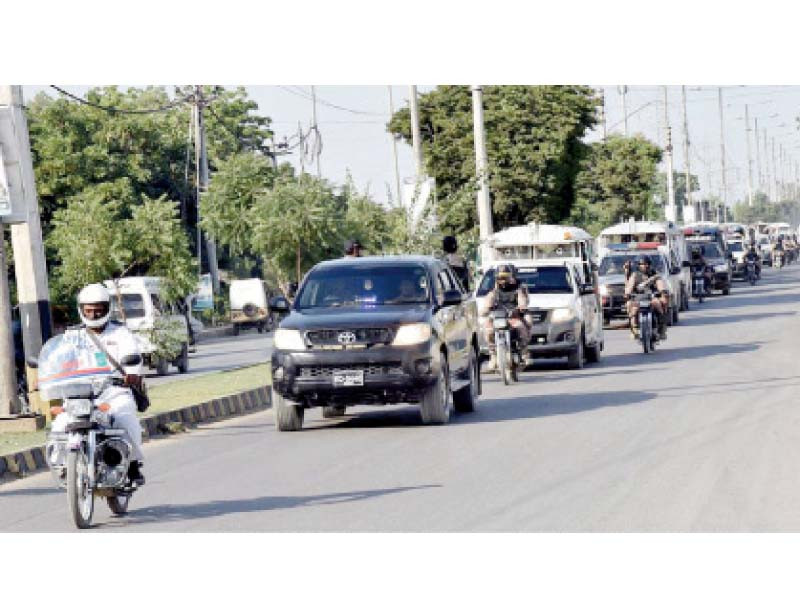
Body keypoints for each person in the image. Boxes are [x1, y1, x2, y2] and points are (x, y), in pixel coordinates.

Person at [50, 284, 146, 485]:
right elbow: (57, 359)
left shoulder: (120, 333)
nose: (93, 314)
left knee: (125, 418)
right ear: (81, 310)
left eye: (98, 309)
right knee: (60, 423)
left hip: (113, 391)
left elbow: (134, 357)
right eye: (89, 310)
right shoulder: (72, 335)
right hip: (80, 394)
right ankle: (63, 465)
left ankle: (133, 464)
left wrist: (132, 374)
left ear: (107, 308)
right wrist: (49, 374)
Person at [479, 264, 532, 371]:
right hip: (497, 317)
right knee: (488, 329)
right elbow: (488, 301)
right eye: (500, 277)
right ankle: (493, 356)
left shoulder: (518, 288)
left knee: (521, 327)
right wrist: (486, 309)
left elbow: (522, 299)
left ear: (511, 276)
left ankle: (524, 352)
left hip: (513, 316)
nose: (503, 280)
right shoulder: (494, 290)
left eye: (505, 277)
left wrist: (521, 306)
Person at [625, 255, 669, 341]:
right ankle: (634, 330)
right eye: (643, 264)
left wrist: (663, 291)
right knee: (630, 306)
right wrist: (628, 293)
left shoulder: (654, 274)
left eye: (647, 264)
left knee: (659, 304)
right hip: (638, 297)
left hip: (652, 297)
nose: (645, 266)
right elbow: (630, 285)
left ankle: (662, 330)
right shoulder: (635, 275)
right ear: (639, 265)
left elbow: (659, 283)